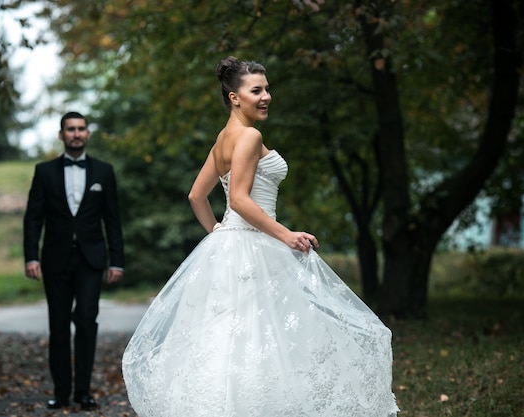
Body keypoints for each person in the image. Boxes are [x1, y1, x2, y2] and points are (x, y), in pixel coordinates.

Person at [122, 57, 399, 416]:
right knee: (263, 335)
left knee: (230, 336)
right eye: (257, 90)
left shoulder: (223, 139)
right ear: (235, 97)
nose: (266, 96)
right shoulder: (250, 136)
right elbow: (238, 199)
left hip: (228, 247)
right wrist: (286, 235)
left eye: (267, 89)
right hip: (255, 245)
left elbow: (196, 196)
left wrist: (218, 233)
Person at [24, 111, 125, 411]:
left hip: (90, 261)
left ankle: (83, 391)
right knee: (57, 327)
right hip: (54, 261)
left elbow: (113, 220)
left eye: (81, 129)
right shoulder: (44, 171)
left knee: (85, 322)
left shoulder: (104, 172)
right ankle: (61, 392)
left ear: (87, 134)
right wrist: (31, 256)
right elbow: (33, 219)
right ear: (61, 135)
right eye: (71, 129)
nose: (76, 134)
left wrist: (116, 261)